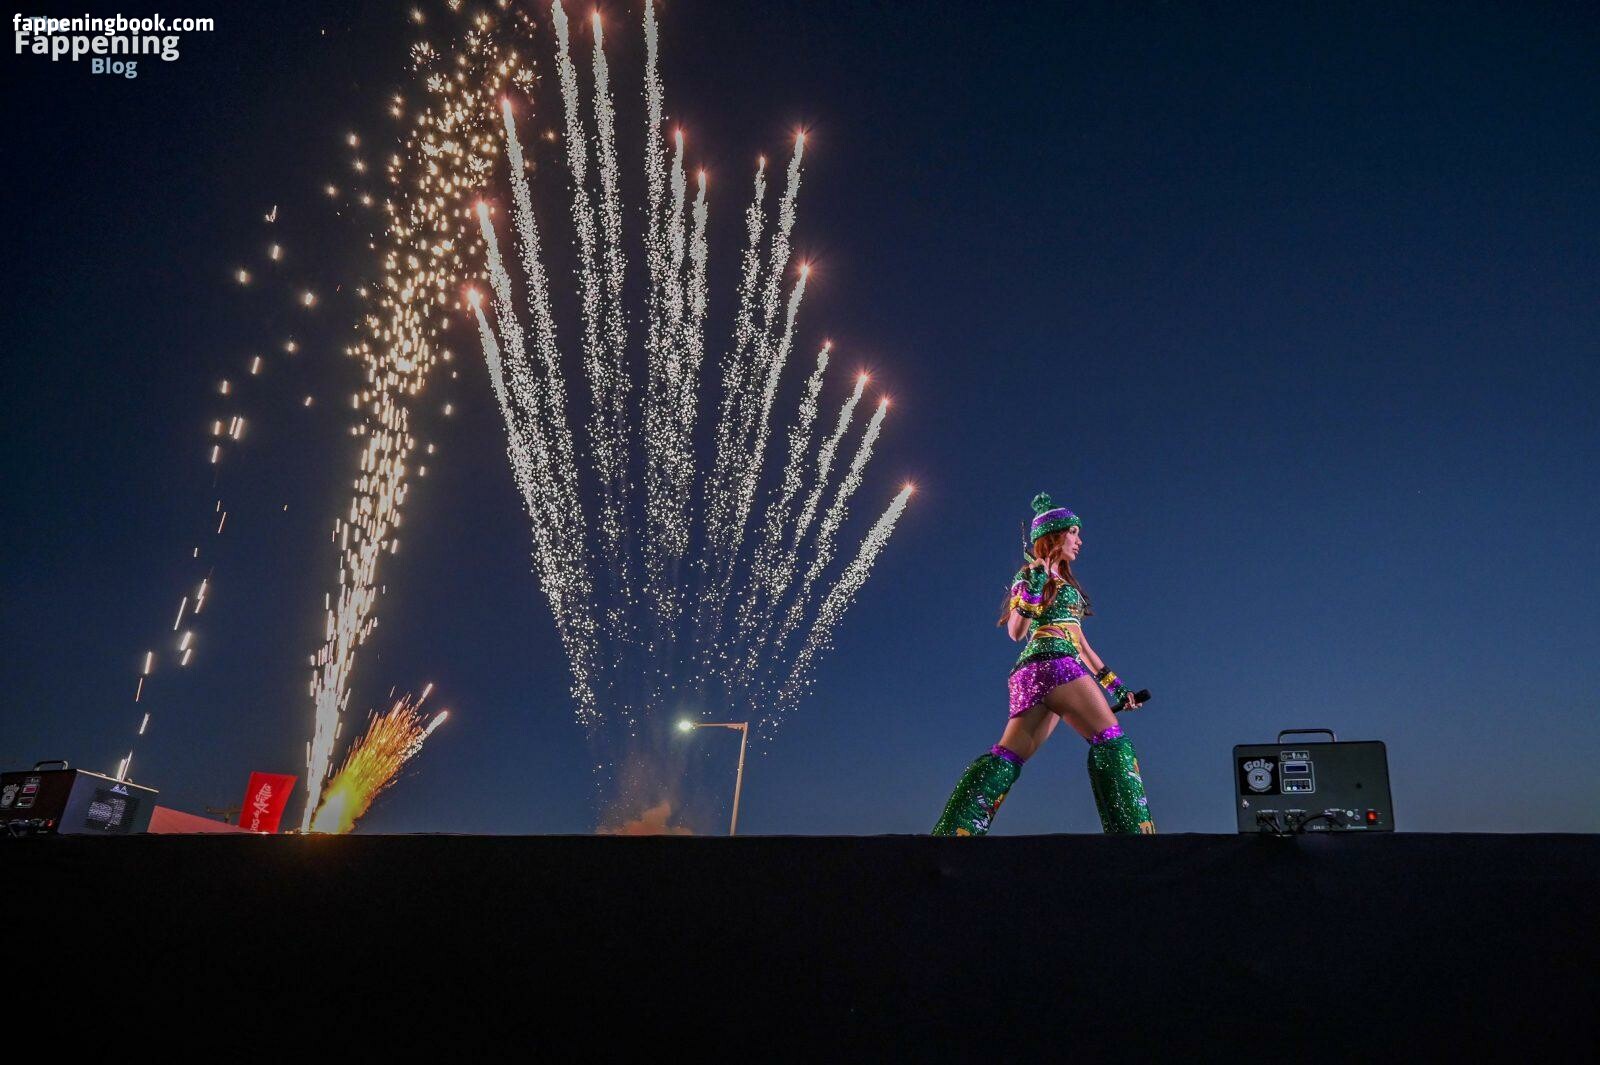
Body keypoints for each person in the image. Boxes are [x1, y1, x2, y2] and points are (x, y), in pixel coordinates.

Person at [932, 492, 1156, 835]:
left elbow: (1082, 645)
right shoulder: (1030, 575)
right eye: (1073, 533)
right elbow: (1016, 631)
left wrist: (1117, 688)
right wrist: (1033, 586)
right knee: (1113, 742)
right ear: (1053, 536)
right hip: (1056, 665)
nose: (1079, 541)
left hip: (1031, 673)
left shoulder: (1067, 586)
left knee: (1008, 755)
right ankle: (1134, 837)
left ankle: (953, 832)